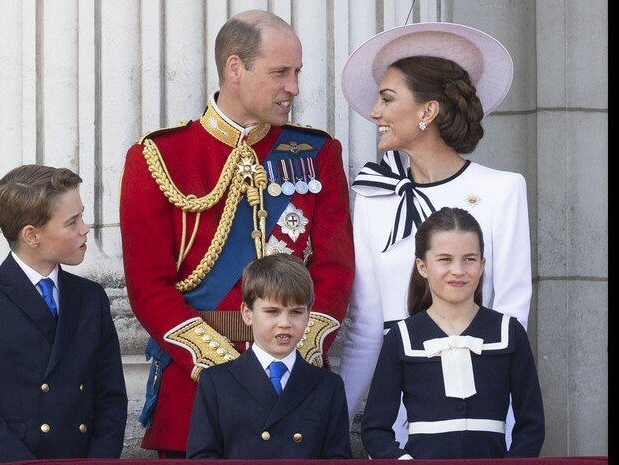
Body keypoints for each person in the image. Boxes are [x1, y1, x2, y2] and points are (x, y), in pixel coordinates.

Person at [119, 9, 355, 457]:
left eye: (297, 72)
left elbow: (334, 270)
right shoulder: (158, 157)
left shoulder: (317, 153)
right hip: (197, 387)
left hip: (294, 388)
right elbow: (149, 287)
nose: (295, 87)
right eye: (280, 72)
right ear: (234, 68)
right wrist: (228, 370)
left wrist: (288, 355)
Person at [338, 22, 532, 449]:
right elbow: (367, 328)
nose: (374, 112)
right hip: (399, 409)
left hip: (479, 409)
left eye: (387, 99)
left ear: (427, 112)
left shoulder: (503, 190)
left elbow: (512, 318)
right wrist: (333, 425)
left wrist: (512, 434)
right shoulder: (374, 196)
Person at [0, 165, 128, 462]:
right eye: (72, 222)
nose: (85, 229)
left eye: (81, 216)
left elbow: (111, 397)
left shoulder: (91, 297)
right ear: (31, 235)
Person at [361, 207, 544, 459]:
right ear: (422, 266)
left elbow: (532, 425)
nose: (458, 270)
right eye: (445, 259)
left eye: (469, 259)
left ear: (482, 265)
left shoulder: (509, 332)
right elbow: (374, 430)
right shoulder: (401, 337)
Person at [186, 254, 352, 459]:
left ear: (309, 314)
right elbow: (203, 457)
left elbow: (338, 459)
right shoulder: (217, 382)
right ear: (247, 314)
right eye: (272, 311)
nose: (285, 323)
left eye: (296, 312)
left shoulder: (328, 385)